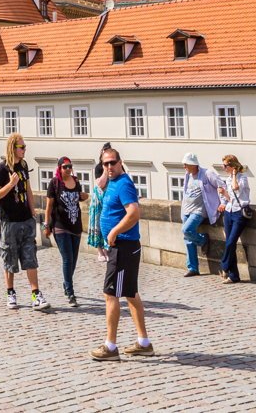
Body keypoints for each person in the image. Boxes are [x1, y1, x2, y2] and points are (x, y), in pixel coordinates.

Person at [90, 147, 153, 360]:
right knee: (131, 293)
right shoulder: (112, 182)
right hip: (123, 247)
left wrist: (115, 230)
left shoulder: (124, 183)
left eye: (112, 163)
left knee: (110, 295)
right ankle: (144, 343)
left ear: (120, 162)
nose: (109, 167)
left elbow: (134, 213)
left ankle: (110, 346)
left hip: (123, 247)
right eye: (105, 164)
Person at [0, 133, 50, 311]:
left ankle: (36, 294)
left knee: (30, 256)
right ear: (13, 148)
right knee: (9, 257)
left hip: (25, 219)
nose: (25, 150)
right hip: (8, 221)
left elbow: (29, 190)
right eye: (22, 147)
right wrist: (10, 185)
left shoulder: (23, 166)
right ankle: (10, 293)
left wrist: (33, 212)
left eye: (25, 147)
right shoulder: (2, 169)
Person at [44, 156, 88, 306]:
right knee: (67, 258)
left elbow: (80, 198)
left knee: (74, 260)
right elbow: (49, 206)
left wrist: (84, 196)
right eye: (65, 167)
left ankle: (66, 283)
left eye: (70, 166)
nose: (68, 169)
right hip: (60, 226)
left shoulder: (76, 182)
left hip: (75, 226)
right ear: (59, 168)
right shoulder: (55, 183)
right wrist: (46, 225)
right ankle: (70, 292)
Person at [180, 152, 224, 277]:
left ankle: (203, 239)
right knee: (188, 239)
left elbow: (221, 185)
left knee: (186, 230)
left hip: (199, 210)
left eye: (186, 164)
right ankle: (193, 268)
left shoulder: (207, 173)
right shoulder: (187, 175)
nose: (184, 167)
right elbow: (186, 191)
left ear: (193, 165)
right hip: (186, 210)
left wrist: (223, 202)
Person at [218, 154, 251, 283]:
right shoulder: (227, 180)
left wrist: (233, 175)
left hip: (239, 213)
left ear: (232, 166)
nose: (223, 167)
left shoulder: (243, 178)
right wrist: (223, 194)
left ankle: (224, 266)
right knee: (229, 244)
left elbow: (236, 188)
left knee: (231, 242)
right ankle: (234, 276)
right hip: (228, 212)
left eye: (225, 165)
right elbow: (230, 198)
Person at [87, 143, 112, 261]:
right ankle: (100, 252)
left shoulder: (116, 165)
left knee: (108, 224)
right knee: (97, 224)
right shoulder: (98, 167)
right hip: (98, 199)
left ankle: (107, 249)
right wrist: (105, 169)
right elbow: (100, 184)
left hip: (109, 198)